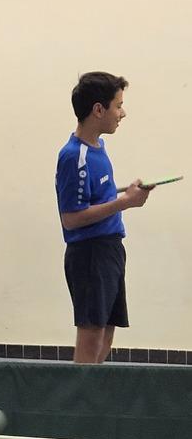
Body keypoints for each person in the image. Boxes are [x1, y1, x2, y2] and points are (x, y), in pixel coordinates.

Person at [55, 71, 153, 364]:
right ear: (98, 110)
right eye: (118, 106)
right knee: (91, 336)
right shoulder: (74, 156)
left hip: (110, 249)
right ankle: (81, 393)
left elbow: (95, 195)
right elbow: (71, 218)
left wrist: (126, 193)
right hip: (90, 254)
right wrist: (125, 203)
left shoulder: (99, 148)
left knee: (107, 332)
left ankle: (94, 390)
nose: (123, 113)